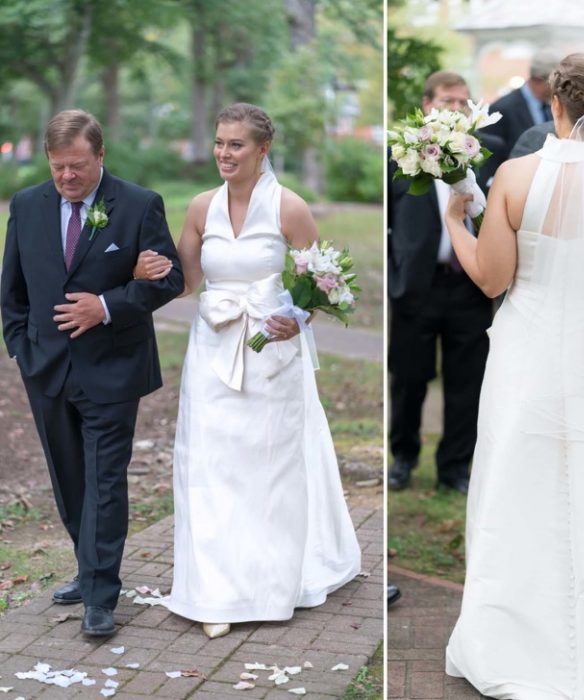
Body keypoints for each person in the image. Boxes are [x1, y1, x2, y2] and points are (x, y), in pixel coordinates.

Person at [444, 54, 584, 698]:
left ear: (554, 104)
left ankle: (510, 642)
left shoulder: (515, 175)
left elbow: (492, 278)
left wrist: (454, 223)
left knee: (519, 483)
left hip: (527, 349)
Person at [136, 103, 361, 639]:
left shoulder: (289, 207)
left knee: (269, 470)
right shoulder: (199, 207)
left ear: (263, 149)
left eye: (236, 144)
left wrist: (297, 317)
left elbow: (331, 286)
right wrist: (145, 269)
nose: (224, 153)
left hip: (270, 356)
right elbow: (185, 284)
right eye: (219, 142)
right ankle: (214, 590)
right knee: (210, 467)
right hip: (212, 349)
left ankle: (267, 584)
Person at [0, 110, 184, 637]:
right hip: (45, 368)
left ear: (101, 157)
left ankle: (101, 596)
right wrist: (20, 346)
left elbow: (168, 280)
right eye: (58, 167)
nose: (67, 177)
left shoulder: (139, 204)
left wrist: (104, 305)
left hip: (113, 367)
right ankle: (89, 570)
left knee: (105, 481)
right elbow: (11, 288)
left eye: (78, 166)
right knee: (70, 480)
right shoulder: (27, 205)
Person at [387, 70, 505, 494]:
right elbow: (389, 221)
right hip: (416, 286)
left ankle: (454, 467)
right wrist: (395, 274)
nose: (455, 109)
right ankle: (402, 457)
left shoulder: (489, 151)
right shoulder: (400, 154)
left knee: (466, 380)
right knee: (408, 378)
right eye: (446, 101)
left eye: (462, 102)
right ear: (427, 104)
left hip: (470, 285)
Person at [480, 49, 560, 161]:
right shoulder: (501, 109)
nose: (559, 88)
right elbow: (490, 156)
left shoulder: (553, 107)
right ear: (538, 79)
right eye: (556, 83)